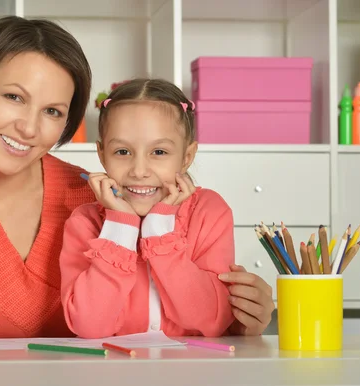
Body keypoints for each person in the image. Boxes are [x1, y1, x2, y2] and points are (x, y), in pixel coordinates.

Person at [0, 16, 274, 342]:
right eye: (13, 97)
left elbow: (160, 306)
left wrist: (241, 314)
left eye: (52, 111)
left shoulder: (102, 195)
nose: (29, 127)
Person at [61, 78, 240, 338]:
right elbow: (89, 326)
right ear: (101, 155)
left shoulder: (210, 212)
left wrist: (159, 232)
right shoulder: (84, 223)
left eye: (158, 152)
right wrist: (120, 227)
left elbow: (212, 319)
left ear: (187, 157)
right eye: (122, 152)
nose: (139, 171)